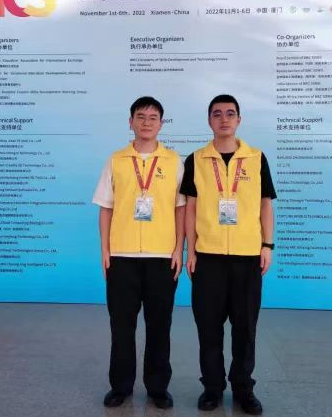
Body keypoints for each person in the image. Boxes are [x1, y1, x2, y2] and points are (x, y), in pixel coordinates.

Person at [180, 94, 276, 415]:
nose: (224, 119)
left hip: (247, 257)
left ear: (239, 120)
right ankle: (212, 388)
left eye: (230, 113)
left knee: (245, 328)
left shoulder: (256, 158)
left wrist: (267, 245)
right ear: (209, 120)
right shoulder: (195, 160)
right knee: (208, 328)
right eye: (217, 114)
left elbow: (265, 204)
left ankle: (243, 388)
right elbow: (190, 209)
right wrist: (190, 250)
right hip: (208, 257)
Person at [93, 96, 186, 409]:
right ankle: (120, 386)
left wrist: (179, 249)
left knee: (160, 326)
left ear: (161, 123)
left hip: (162, 257)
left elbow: (181, 208)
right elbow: (106, 207)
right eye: (141, 116)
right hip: (122, 257)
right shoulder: (116, 160)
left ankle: (158, 388)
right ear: (130, 122)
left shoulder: (174, 161)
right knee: (121, 326)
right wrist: (105, 250)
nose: (147, 122)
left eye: (153, 117)